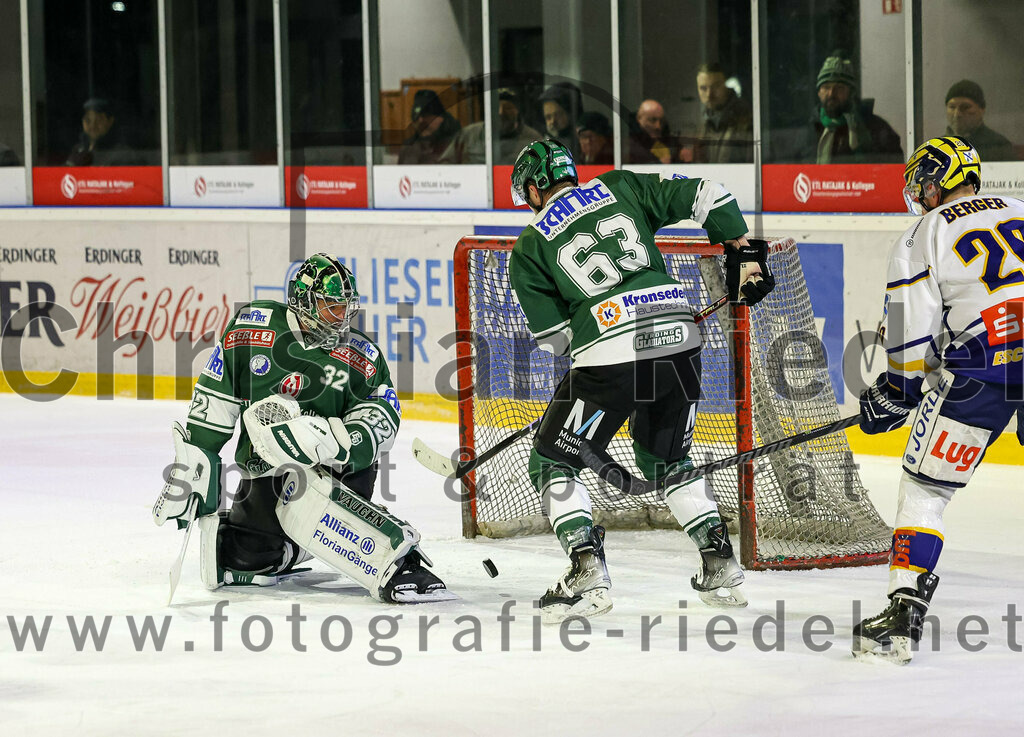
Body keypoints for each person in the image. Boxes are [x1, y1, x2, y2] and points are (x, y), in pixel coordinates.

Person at [507, 140, 774, 622]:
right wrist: (741, 252)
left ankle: (587, 571)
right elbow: (710, 194)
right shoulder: (619, 185)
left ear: (531, 188)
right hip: (681, 338)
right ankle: (720, 563)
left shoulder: (528, 247)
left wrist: (599, 347)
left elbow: (557, 341)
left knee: (551, 462)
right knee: (668, 459)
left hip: (610, 354)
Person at [152, 253, 453, 603]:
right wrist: (196, 463)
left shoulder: (361, 355)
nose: (340, 318)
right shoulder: (252, 328)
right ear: (303, 301)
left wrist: (335, 441)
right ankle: (298, 548)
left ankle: (396, 560)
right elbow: (216, 394)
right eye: (330, 307)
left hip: (334, 472)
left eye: (345, 308)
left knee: (311, 494)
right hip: (265, 472)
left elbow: (382, 413)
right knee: (241, 559)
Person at [854, 136, 1024, 663]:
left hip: (984, 373)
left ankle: (903, 615)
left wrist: (899, 390)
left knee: (925, 489)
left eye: (920, 181)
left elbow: (907, 326)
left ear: (935, 182)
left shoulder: (924, 232)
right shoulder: (1019, 208)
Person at [775, 51, 902, 164]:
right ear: (819, 92)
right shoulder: (805, 133)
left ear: (851, 92)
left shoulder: (877, 131)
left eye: (839, 88)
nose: (831, 94)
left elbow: (891, 176)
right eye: (826, 87)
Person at [439, 88, 540, 165]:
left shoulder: (532, 139)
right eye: (496, 107)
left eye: (508, 108)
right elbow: (445, 164)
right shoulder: (468, 134)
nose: (501, 112)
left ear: (517, 110)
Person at [690, 63, 753, 163]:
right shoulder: (702, 126)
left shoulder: (746, 121)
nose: (709, 94)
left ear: (726, 86)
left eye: (715, 87)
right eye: (703, 88)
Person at [943, 80, 1016, 162]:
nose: (957, 114)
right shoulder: (938, 147)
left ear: (982, 109)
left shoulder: (998, 146)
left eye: (966, 107)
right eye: (952, 107)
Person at [65, 98, 141, 166]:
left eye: (99, 120)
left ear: (110, 121)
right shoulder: (78, 150)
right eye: (88, 120)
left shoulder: (123, 154)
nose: (93, 125)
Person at [398, 89, 461, 165]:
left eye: (426, 116)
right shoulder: (408, 148)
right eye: (416, 118)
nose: (421, 121)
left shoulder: (457, 145)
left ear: (440, 118)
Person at [538, 83, 581, 160]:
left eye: (558, 115)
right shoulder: (542, 143)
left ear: (570, 113)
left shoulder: (583, 142)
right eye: (548, 117)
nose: (553, 121)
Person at [629, 99, 675, 164]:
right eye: (652, 120)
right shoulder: (629, 142)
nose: (658, 126)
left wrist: (680, 152)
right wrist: (659, 163)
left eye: (661, 121)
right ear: (639, 118)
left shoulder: (666, 137)